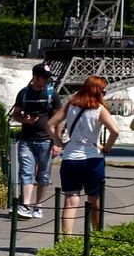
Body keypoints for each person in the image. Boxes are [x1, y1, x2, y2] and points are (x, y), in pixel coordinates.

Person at [47, 76, 119, 235]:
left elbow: (49, 124)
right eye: (104, 90)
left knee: (70, 202)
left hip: (70, 158)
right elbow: (115, 131)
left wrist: (60, 143)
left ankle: (66, 242)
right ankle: (97, 237)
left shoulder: (70, 105)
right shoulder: (100, 108)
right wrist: (105, 148)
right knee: (95, 202)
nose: (105, 93)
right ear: (96, 90)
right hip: (92, 159)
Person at [11, 63, 63, 219]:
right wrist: (25, 121)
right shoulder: (24, 93)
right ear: (35, 77)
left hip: (46, 140)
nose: (47, 81)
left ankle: (38, 206)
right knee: (26, 172)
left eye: (48, 78)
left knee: (43, 174)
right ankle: (26, 205)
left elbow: (58, 119)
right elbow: (16, 115)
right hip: (27, 139)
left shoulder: (51, 93)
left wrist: (57, 143)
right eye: (44, 78)